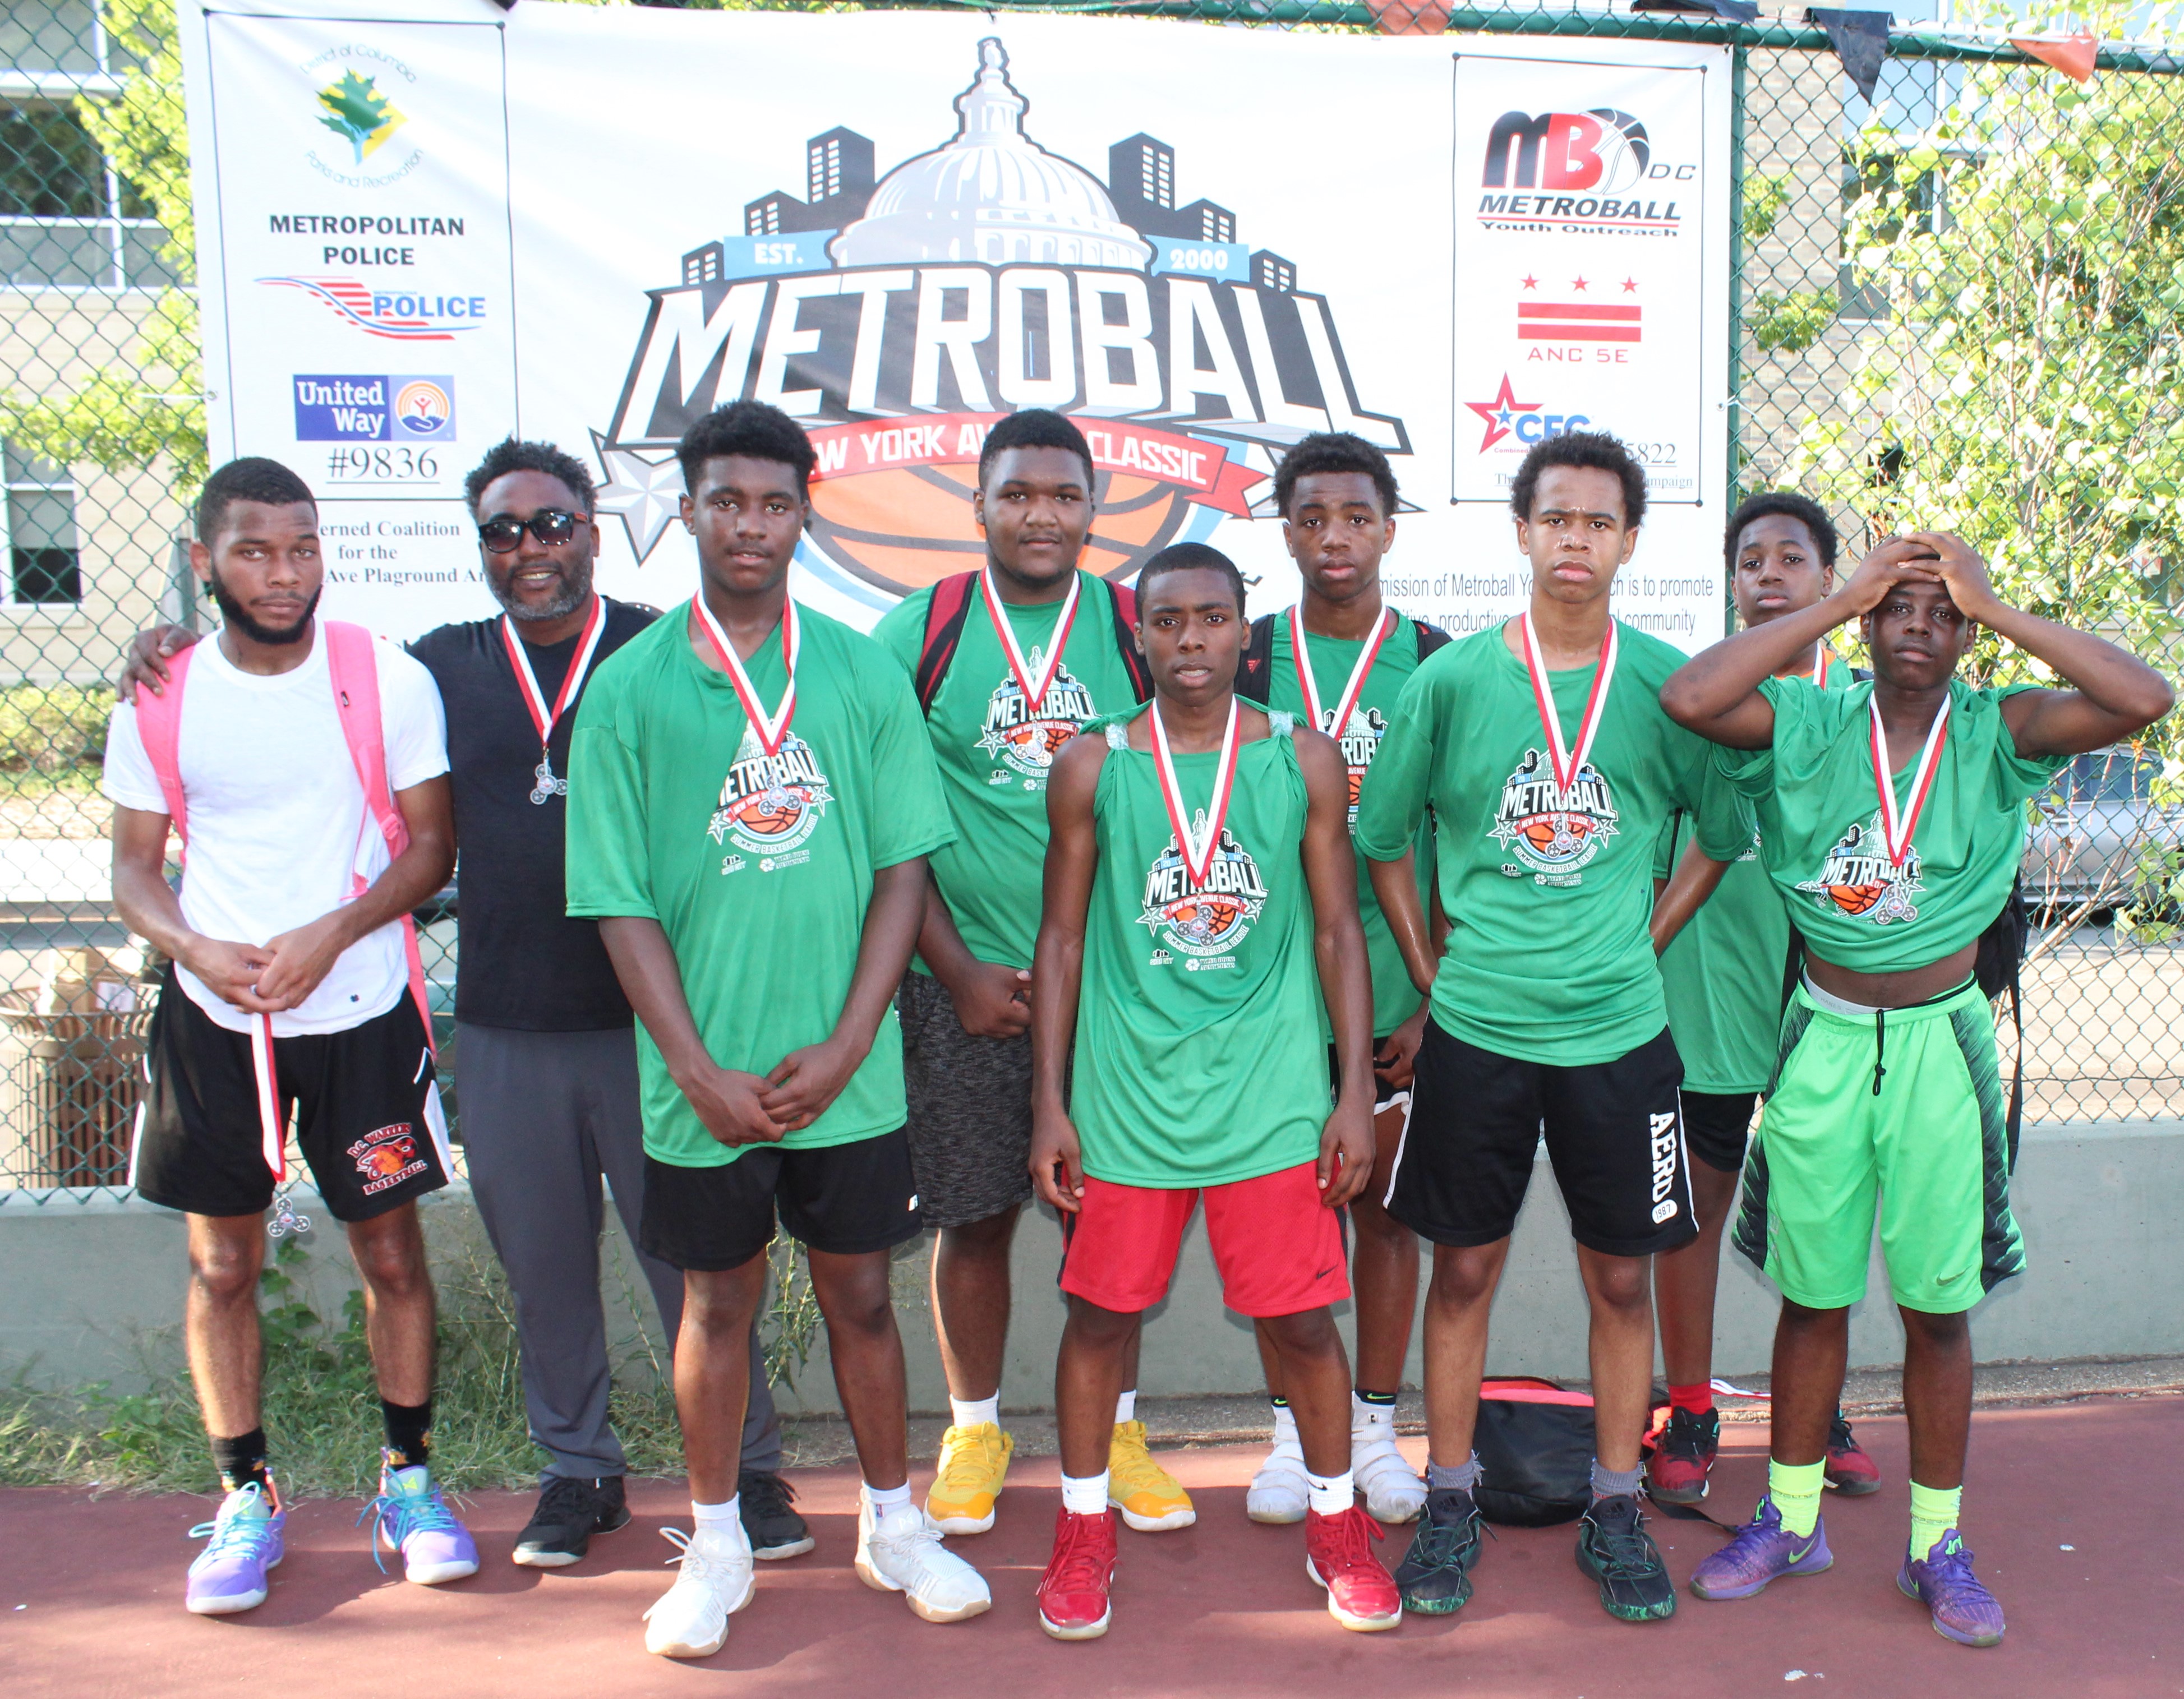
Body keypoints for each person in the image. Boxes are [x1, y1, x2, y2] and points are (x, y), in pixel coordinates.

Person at [119, 439, 809, 1569]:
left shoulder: (664, 648)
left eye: (553, 524)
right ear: (480, 547)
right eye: (503, 530)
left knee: (698, 1260)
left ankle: (751, 1472)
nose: (531, 548)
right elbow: (289, 682)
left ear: (594, 531)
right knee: (544, 1268)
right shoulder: (432, 667)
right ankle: (578, 1472)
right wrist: (163, 648)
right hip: (505, 1019)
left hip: (656, 1018)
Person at [1662, 531, 2171, 1646]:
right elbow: (1691, 696)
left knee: (1938, 1308)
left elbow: (2144, 697)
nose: (1920, 626)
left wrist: (2002, 608)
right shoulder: (1807, 721)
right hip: (1825, 1036)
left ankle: (1936, 1544)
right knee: (1812, 1294)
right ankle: (1791, 1519)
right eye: (1900, 606)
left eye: (1944, 612)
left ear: (1966, 632)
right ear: (1866, 620)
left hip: (1942, 1042)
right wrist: (1836, 597)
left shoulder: (1997, 730)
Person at [566, 400, 989, 1658]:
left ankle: (893, 1524)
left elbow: (903, 868)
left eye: (774, 503)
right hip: (704, 1082)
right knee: (715, 1305)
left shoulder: (860, 673)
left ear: (806, 514)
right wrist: (694, 1067)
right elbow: (618, 899)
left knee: (862, 1296)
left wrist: (856, 1040)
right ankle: (716, 1544)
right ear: (688, 511)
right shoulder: (630, 689)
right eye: (726, 502)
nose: (749, 525)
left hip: (846, 1074)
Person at [1352, 431, 1753, 1623]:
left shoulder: (1670, 686)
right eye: (1557, 517)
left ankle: (1616, 1508)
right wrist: (1429, 971)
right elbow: (1383, 838)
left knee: (1620, 1280)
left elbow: (1720, 833)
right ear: (1522, 532)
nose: (1576, 538)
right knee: (1463, 1270)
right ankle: (1452, 1497)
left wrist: (1645, 939)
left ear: (1630, 542)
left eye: (1599, 521)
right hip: (1478, 1031)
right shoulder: (1452, 683)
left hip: (1618, 1036)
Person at [106, 456, 474, 1615]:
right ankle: (244, 1496)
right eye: (256, 551)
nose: (283, 574)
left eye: (303, 548)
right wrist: (196, 947)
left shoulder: (385, 677)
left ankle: (409, 1481)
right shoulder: (161, 693)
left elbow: (432, 848)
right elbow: (133, 868)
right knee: (223, 1264)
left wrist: (335, 929)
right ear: (206, 559)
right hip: (217, 1019)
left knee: (391, 1256)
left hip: (359, 1009)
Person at [1028, 542, 1400, 1640]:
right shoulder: (1093, 765)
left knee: (1302, 1324)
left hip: (1270, 1096)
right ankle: (1083, 1529)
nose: (1190, 640)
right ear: (1138, 636)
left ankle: (1336, 1523)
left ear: (1246, 630)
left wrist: (1349, 1092)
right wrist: (1048, 1102)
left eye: (1211, 618)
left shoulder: (1302, 756)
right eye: (1167, 621)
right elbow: (1059, 942)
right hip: (1126, 1097)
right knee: (1100, 1320)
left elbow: (1338, 932)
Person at [871, 409, 1188, 1539]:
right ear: (980, 506)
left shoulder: (1133, 626)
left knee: (1113, 1220)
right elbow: (885, 826)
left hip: (1110, 988)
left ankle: (1123, 1431)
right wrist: (955, 968)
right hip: (965, 980)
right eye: (1017, 494)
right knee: (973, 1217)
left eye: (1062, 495)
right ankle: (974, 1429)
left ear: (1095, 510)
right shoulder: (923, 630)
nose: (1040, 515)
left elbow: (1186, 795)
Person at [1645, 491, 1877, 1506]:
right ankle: (1690, 1404)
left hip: (1825, 1001)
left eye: (1791, 557)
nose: (1769, 574)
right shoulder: (1699, 696)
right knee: (1691, 1212)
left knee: (1820, 1212)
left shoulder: (1870, 702)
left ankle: (1812, 1408)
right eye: (1751, 561)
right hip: (1704, 998)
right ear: (1731, 581)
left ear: (1829, 578)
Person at [1234, 432, 1444, 1526]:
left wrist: (1437, 996)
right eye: (1312, 518)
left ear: (1389, 531)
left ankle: (1371, 1430)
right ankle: (1288, 1432)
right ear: (1286, 533)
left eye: (1356, 517)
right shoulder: (1246, 655)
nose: (1335, 537)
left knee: (1389, 1221)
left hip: (1396, 996)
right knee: (1283, 1222)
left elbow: (1461, 836)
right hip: (1269, 996)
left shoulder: (1436, 661)